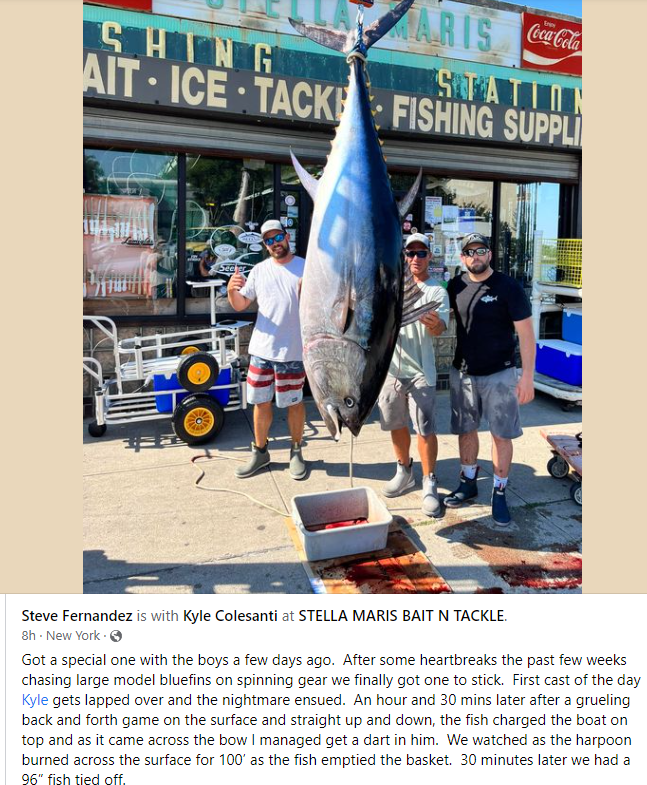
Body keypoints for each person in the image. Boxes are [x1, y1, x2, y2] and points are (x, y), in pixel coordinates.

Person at [445, 232, 535, 525]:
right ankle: (468, 482)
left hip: (500, 373)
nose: (475, 257)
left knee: (501, 434)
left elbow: (526, 335)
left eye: (480, 250)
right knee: (466, 430)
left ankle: (499, 492)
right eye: (469, 252)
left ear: (490, 254)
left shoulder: (508, 287)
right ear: (462, 258)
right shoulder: (455, 286)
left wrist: (527, 378)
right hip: (464, 373)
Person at [227, 220, 307, 480]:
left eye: (278, 237)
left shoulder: (306, 267)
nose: (275, 244)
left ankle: (296, 451)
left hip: (294, 351)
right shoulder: (259, 270)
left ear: (287, 236)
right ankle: (260, 452)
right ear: (264, 245)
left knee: (294, 404)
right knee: (261, 404)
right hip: (261, 350)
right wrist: (231, 290)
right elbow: (240, 304)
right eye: (269, 240)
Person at [378, 234, 450, 518]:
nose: (416, 259)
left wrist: (434, 324)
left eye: (422, 253)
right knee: (395, 423)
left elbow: (439, 328)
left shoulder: (436, 292)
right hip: (391, 371)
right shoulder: (391, 287)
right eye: (411, 253)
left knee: (425, 428)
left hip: (421, 372)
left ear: (430, 256)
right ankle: (403, 470)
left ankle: (429, 481)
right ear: (404, 257)